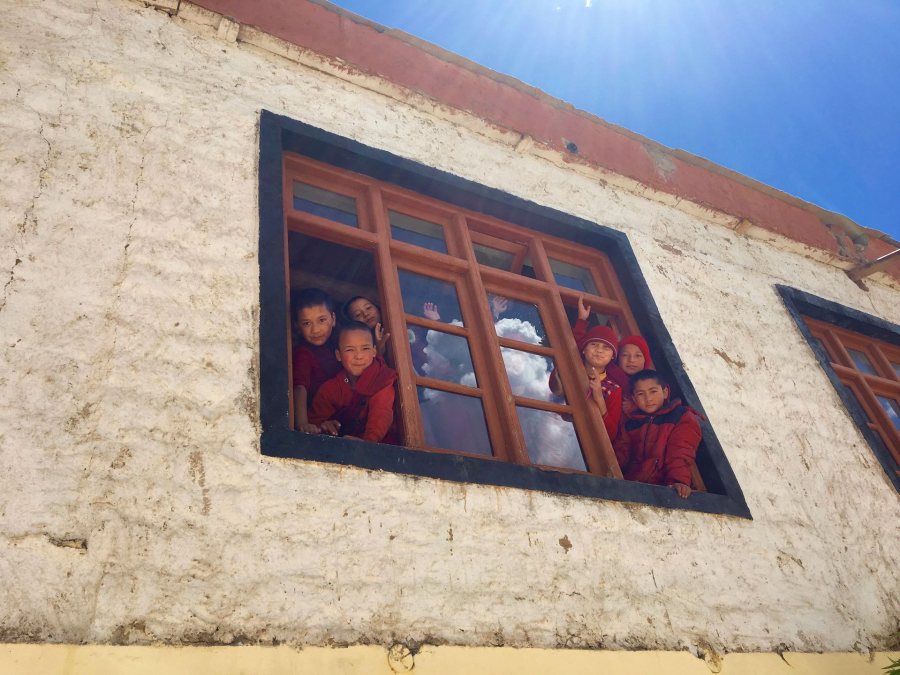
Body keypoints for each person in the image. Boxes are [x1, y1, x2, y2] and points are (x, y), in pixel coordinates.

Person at [613, 369, 701, 499]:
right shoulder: (631, 424)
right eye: (640, 394)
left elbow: (681, 452)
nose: (648, 399)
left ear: (665, 392)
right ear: (634, 399)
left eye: (653, 391)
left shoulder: (681, 416)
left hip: (664, 489)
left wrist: (678, 481)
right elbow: (620, 455)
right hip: (633, 487)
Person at [309, 321, 398, 443]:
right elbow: (312, 424)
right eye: (350, 350)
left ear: (374, 352)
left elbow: (381, 413)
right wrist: (323, 426)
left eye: (365, 348)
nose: (359, 356)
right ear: (338, 355)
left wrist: (368, 442)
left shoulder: (381, 378)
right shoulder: (330, 389)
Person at [292, 288, 341, 433]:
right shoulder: (304, 353)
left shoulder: (340, 343)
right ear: (298, 327)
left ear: (333, 319)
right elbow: (300, 387)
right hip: (317, 420)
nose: (316, 330)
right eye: (307, 323)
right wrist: (303, 425)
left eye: (322, 320)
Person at [577, 325, 623, 441]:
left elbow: (611, 435)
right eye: (594, 344)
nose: (599, 350)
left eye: (606, 347)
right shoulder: (571, 371)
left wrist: (599, 399)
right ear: (583, 349)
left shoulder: (614, 389)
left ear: (613, 356)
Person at [617, 334, 655, 416]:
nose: (631, 360)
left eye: (638, 355)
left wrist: (637, 406)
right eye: (625, 355)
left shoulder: (653, 381)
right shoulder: (609, 376)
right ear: (618, 358)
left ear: (645, 360)